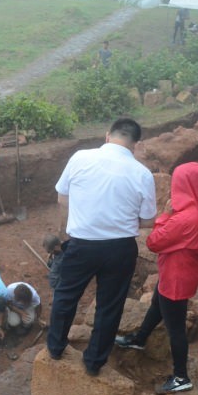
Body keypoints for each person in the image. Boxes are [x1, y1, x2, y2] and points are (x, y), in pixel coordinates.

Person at [46, 117, 157, 377]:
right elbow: (149, 220)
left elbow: (62, 198)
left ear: (108, 135)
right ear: (136, 145)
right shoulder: (142, 173)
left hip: (82, 243)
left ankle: (55, 347)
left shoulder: (80, 158)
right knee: (110, 305)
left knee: (66, 295)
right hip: (120, 249)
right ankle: (94, 361)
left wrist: (86, 215)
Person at [115, 162, 198, 394]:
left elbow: (154, 242)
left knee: (176, 328)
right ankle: (139, 339)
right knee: (157, 303)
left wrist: (167, 214)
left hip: (176, 277)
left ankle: (181, 377)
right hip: (185, 271)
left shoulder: (182, 219)